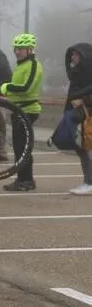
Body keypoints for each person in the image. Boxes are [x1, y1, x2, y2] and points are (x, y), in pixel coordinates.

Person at [0, 34, 43, 192]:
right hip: (18, 110)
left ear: (30, 50)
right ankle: (22, 179)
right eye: (15, 49)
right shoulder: (21, 65)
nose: (17, 52)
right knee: (18, 147)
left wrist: (7, 87)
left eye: (21, 49)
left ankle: (27, 180)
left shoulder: (33, 64)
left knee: (23, 147)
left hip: (28, 110)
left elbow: (26, 87)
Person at [65, 43, 92, 194]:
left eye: (76, 54)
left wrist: (83, 100)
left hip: (88, 116)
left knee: (86, 148)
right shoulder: (78, 74)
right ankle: (88, 180)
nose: (72, 57)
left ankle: (89, 182)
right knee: (82, 148)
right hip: (79, 115)